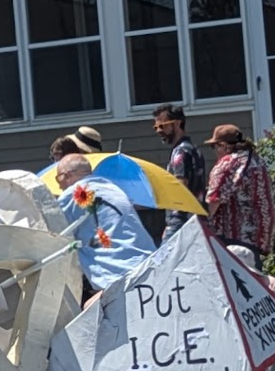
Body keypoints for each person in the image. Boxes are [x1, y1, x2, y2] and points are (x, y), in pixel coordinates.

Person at [54, 153, 155, 292]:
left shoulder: (72, 195)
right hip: (149, 263)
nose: (59, 186)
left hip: (117, 274)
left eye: (58, 178)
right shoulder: (113, 188)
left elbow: (55, 240)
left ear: (67, 175)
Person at [204, 125, 275, 262]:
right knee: (252, 273)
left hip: (233, 236)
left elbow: (214, 200)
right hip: (257, 236)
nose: (214, 151)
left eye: (214, 146)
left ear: (223, 146)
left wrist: (200, 224)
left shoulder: (227, 164)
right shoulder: (257, 161)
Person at [152, 104, 206, 242]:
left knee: (166, 256)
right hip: (197, 219)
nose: (159, 131)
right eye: (156, 127)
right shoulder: (194, 149)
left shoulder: (180, 152)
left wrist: (172, 223)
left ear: (177, 123)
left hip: (181, 220)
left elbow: (180, 186)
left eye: (162, 126)